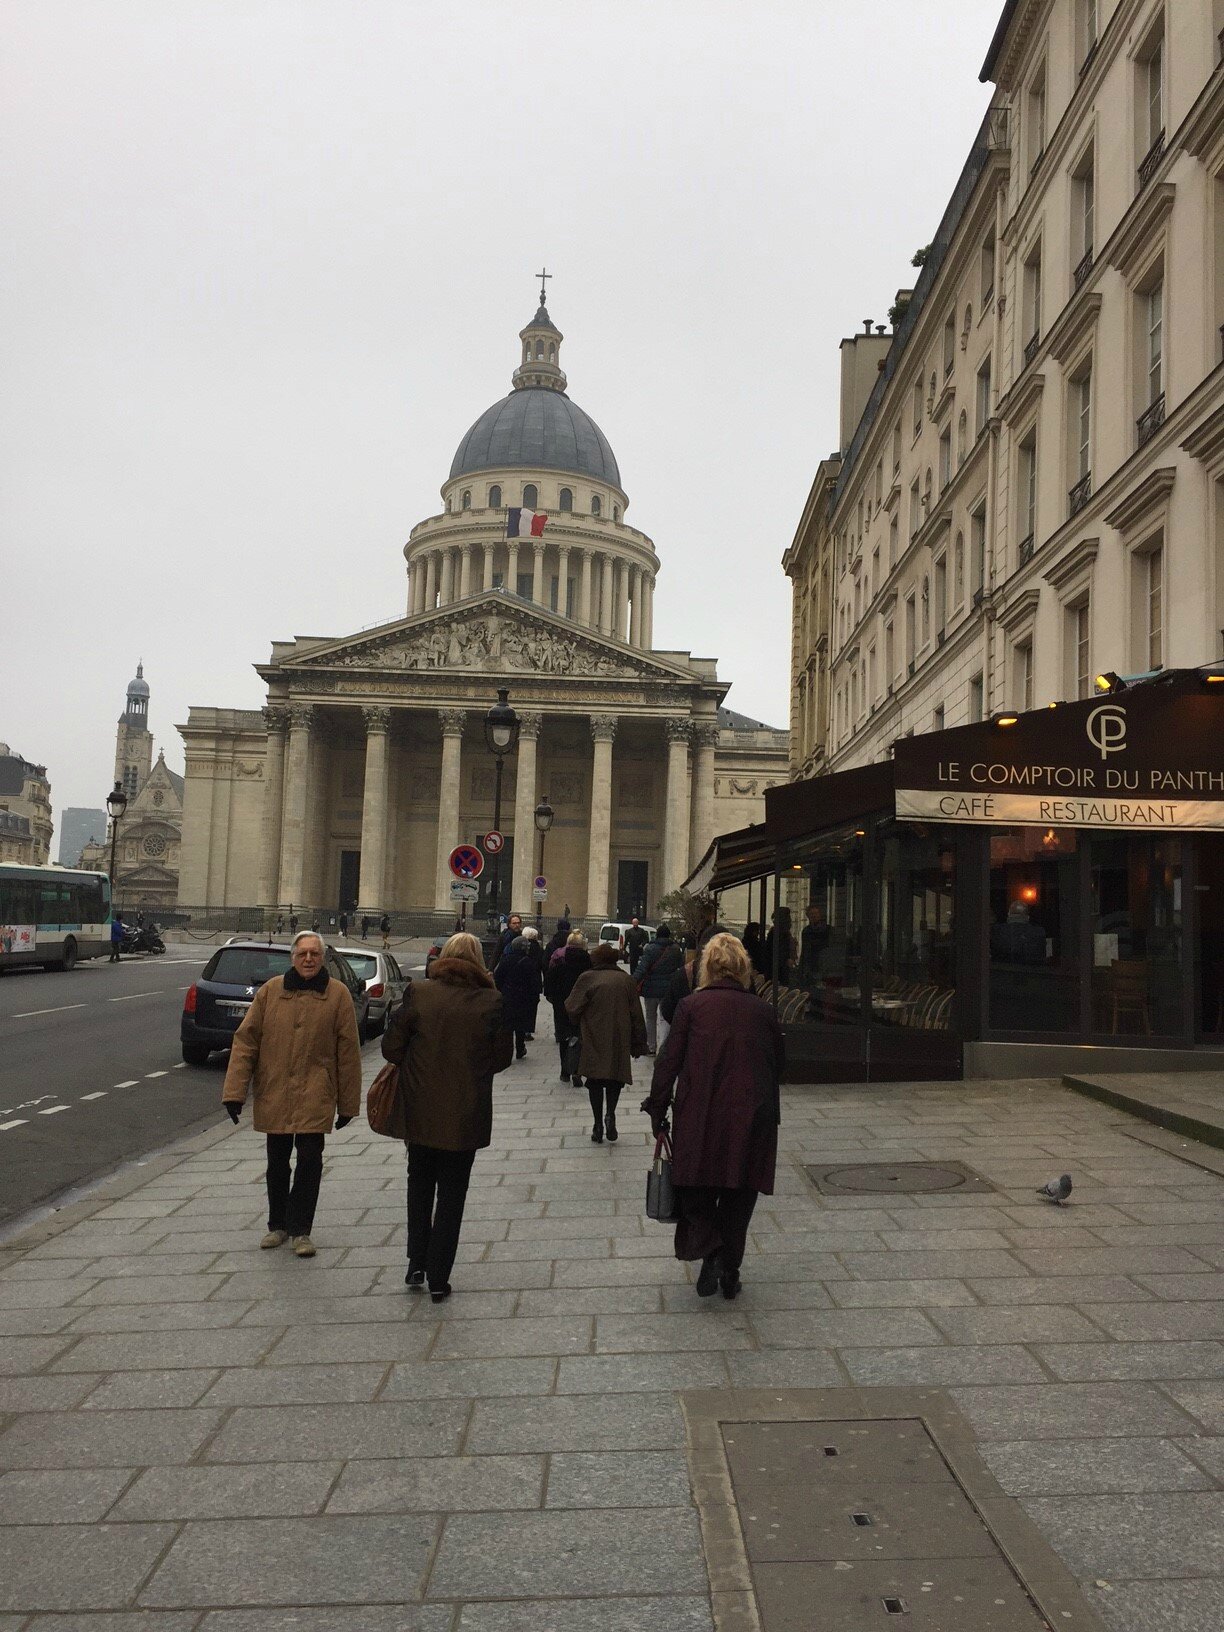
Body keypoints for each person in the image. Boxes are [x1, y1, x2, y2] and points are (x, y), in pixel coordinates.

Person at [644, 933, 784, 1300]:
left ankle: (713, 1251)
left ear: (707, 966)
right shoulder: (763, 1010)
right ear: (744, 968)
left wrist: (658, 1109)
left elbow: (667, 1063)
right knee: (739, 1195)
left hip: (701, 1113)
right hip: (753, 1115)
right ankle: (729, 1269)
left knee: (697, 1190)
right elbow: (779, 1063)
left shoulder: (691, 1007)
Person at [382, 932, 513, 1301]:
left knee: (419, 1186)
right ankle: (440, 1277)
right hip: (464, 1113)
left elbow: (392, 1048)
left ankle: (416, 1263)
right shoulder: (492, 1000)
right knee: (453, 1195)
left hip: (419, 1112)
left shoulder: (420, 992)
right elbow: (501, 1058)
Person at [221, 931, 362, 1258]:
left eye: (314, 953)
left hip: (316, 1091)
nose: (309, 959)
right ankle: (277, 1225)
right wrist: (234, 1093)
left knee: (310, 1160)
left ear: (322, 957)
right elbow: (246, 1042)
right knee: (277, 1161)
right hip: (276, 1089)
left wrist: (348, 1103)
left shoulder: (337, 994)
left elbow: (348, 1052)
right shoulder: (271, 992)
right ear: (293, 957)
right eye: (303, 954)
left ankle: (301, 1230)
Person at [565, 943, 647, 1144]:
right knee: (614, 1078)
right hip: (619, 1036)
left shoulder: (587, 978)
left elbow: (572, 1008)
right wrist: (639, 1043)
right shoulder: (626, 980)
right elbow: (636, 1013)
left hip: (593, 1036)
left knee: (594, 1081)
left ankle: (597, 1124)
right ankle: (610, 1114)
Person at [543, 928, 592, 1082]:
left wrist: (552, 998)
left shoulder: (558, 958)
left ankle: (565, 1071)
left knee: (564, 1037)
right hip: (582, 1004)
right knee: (579, 1036)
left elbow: (549, 981)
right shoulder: (589, 961)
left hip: (562, 1004)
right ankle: (577, 1071)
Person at [633, 923, 685, 1054]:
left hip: (650, 989)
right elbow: (681, 967)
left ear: (657, 935)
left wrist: (632, 981)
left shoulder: (650, 948)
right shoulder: (676, 949)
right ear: (669, 935)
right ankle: (663, 1047)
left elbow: (642, 968)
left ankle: (651, 1046)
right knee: (664, 1018)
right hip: (668, 989)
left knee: (650, 1017)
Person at [495, 932, 542, 1058]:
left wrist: (502, 990)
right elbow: (534, 982)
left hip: (508, 996)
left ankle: (507, 1050)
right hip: (524, 998)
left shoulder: (506, 960)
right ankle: (520, 1048)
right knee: (520, 1024)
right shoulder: (529, 962)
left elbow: (497, 977)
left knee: (508, 1024)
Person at [763, 907, 797, 986]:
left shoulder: (775, 931)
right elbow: (781, 950)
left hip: (776, 967)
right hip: (780, 967)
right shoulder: (781, 932)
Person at [798, 903, 829, 985]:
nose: (814, 916)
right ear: (808, 916)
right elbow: (805, 951)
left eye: (816, 913)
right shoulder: (806, 931)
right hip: (812, 965)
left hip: (825, 964)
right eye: (811, 914)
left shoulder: (828, 930)